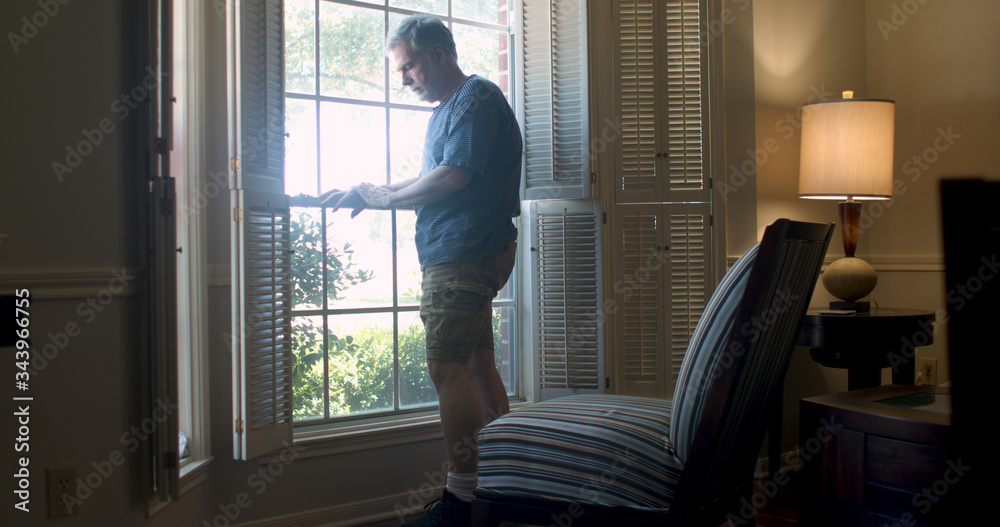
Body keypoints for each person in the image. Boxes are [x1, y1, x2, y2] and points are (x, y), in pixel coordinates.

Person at [320, 14, 522, 527]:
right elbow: (435, 177)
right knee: (478, 366)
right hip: (463, 253)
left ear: (438, 55)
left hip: (465, 254)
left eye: (408, 66)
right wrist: (369, 192)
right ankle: (507, 485)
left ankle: (460, 503)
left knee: (445, 369)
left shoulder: (475, 98)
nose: (403, 78)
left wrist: (381, 195)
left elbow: (452, 178)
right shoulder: (450, 110)